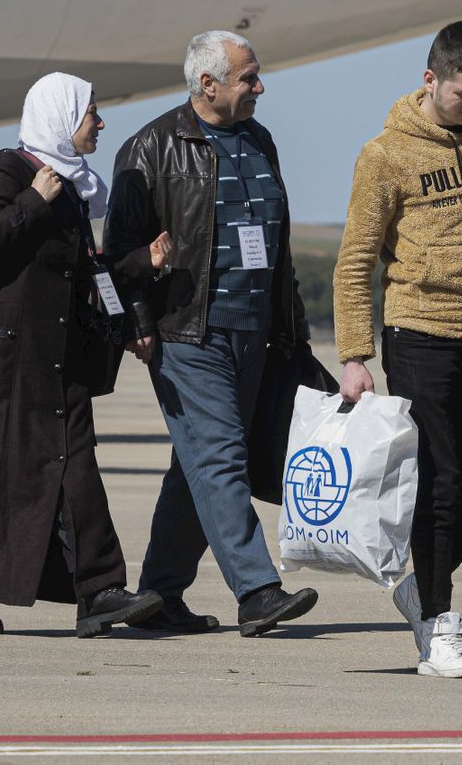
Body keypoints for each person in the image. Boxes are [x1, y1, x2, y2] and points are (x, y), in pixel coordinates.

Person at [0, 73, 165, 637]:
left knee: (76, 465)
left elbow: (83, 274)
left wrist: (140, 269)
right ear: (60, 118)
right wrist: (33, 201)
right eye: (91, 114)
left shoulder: (73, 187)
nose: (100, 124)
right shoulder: (14, 171)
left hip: (57, 358)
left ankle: (100, 590)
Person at [334, 20, 462, 678]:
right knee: (443, 482)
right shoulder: (385, 154)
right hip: (420, 334)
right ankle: (439, 628)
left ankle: (426, 581)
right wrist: (355, 354)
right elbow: (356, 257)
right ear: (431, 79)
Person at [105, 31, 319, 638]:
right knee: (221, 457)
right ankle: (257, 591)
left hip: (256, 335)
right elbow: (119, 256)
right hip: (186, 335)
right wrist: (138, 325)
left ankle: (159, 595)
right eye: (248, 77)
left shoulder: (259, 141)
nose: (259, 87)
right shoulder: (149, 148)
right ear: (208, 84)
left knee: (199, 465)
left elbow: (278, 250)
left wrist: (293, 333)